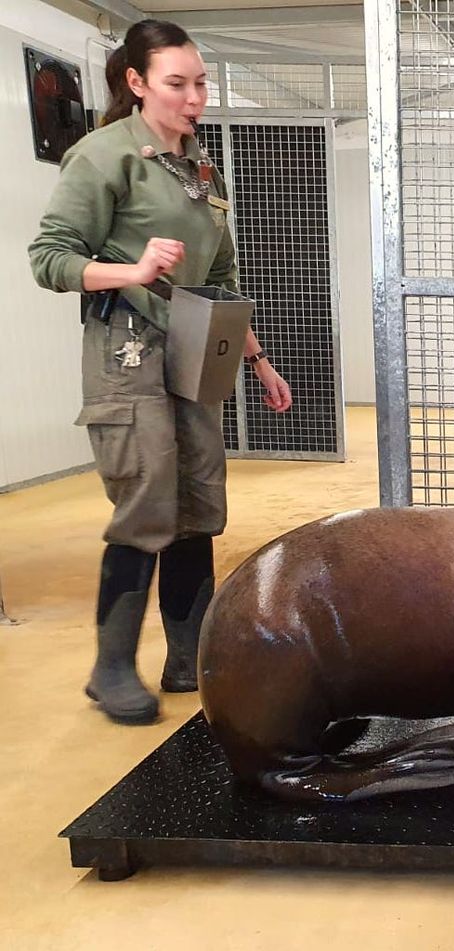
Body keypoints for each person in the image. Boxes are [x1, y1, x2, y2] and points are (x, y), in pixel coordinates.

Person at [29, 19, 292, 725]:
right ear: (137, 83)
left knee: (199, 505)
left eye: (201, 83)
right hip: (127, 352)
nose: (194, 97)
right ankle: (111, 668)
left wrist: (258, 359)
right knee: (147, 504)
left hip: (194, 346)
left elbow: (222, 275)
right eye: (177, 84)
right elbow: (49, 258)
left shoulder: (201, 167)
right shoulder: (103, 155)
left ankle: (189, 659)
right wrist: (134, 269)